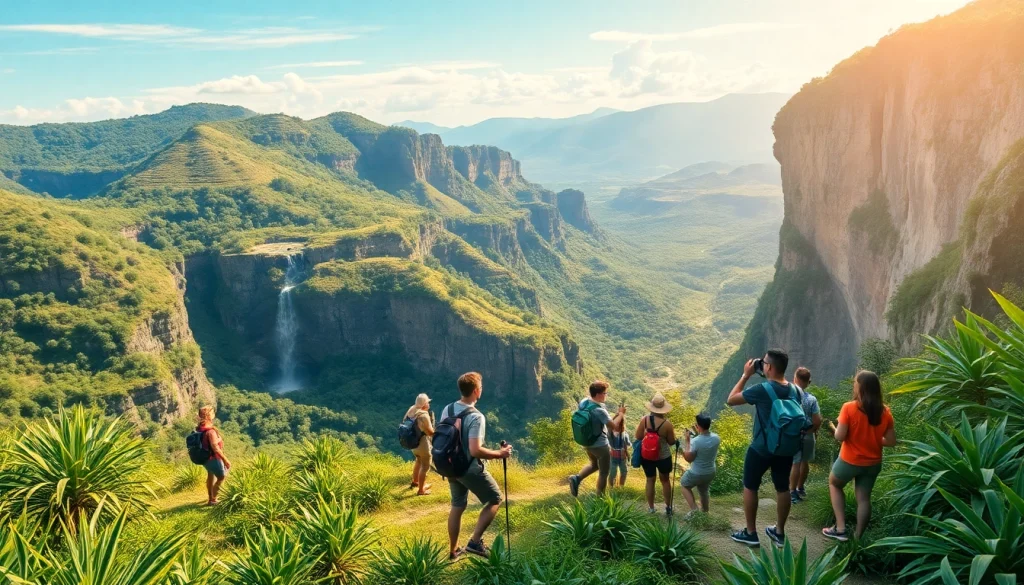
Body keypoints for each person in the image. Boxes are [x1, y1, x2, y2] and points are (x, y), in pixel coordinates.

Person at [725, 348, 798, 548]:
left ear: (770, 367)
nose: (762, 365)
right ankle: (779, 533)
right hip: (785, 448)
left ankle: (751, 533)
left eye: (764, 363)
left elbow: (731, 400)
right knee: (783, 488)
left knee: (750, 486)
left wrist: (745, 375)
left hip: (761, 448)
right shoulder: (796, 390)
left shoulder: (762, 389)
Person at [443, 372, 513, 560]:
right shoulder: (476, 417)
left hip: (450, 466)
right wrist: (500, 453)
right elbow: (475, 450)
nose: (482, 389)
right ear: (476, 391)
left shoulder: (448, 409)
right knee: (495, 499)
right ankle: (474, 542)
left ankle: (453, 550)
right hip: (468, 468)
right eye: (480, 387)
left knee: (457, 505)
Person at [822, 370, 896, 541]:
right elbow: (891, 441)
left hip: (850, 460)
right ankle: (858, 538)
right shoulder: (885, 411)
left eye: (855, 382)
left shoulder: (849, 407)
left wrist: (837, 429)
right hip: (873, 463)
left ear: (860, 387)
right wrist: (873, 439)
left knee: (834, 484)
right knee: (864, 499)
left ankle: (840, 529)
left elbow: (840, 436)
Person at [568, 381, 626, 497]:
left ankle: (576, 478)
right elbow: (614, 426)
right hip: (600, 445)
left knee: (594, 465)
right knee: (604, 473)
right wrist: (620, 414)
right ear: (598, 394)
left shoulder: (584, 402)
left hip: (586, 442)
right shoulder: (599, 410)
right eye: (605, 393)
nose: (606, 395)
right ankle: (600, 499)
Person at [633, 393, 676, 516]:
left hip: (647, 455)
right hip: (663, 456)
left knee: (650, 480)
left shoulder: (644, 420)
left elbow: (638, 436)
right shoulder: (667, 424)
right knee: (665, 481)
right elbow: (671, 442)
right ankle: (668, 507)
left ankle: (651, 508)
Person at [789, 367, 822, 503]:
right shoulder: (811, 399)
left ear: (795, 379)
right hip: (808, 433)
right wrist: (812, 431)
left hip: (792, 434)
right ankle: (800, 487)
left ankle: (792, 492)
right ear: (808, 382)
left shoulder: (788, 396)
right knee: (804, 461)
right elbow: (817, 420)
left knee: (795, 463)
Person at [680, 413, 720, 517]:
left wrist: (687, 441)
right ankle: (705, 513)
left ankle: (694, 511)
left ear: (698, 426)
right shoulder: (716, 438)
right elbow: (705, 443)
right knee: (704, 491)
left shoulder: (695, 441)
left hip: (697, 472)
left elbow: (688, 458)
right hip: (710, 472)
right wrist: (698, 433)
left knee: (684, 485)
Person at [196, 406, 231, 506]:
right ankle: (213, 500)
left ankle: (210, 497)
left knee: (210, 475)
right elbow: (215, 447)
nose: (214, 414)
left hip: (205, 458)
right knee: (221, 477)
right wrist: (225, 460)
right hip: (213, 458)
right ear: (208, 415)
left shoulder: (200, 427)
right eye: (212, 413)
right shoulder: (210, 431)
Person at [405, 393, 436, 496]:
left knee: (418, 460)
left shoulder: (411, 409)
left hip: (413, 443)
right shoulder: (423, 415)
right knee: (425, 466)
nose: (429, 404)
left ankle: (415, 482)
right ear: (424, 404)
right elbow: (430, 432)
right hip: (423, 444)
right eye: (428, 402)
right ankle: (421, 490)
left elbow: (405, 422)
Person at [608, 418, 630, 488]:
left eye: (619, 423)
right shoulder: (609, 433)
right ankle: (611, 488)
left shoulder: (624, 434)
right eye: (616, 423)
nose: (617, 425)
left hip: (622, 457)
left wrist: (627, 453)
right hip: (612, 457)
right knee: (612, 473)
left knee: (624, 472)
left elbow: (626, 444)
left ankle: (621, 487)